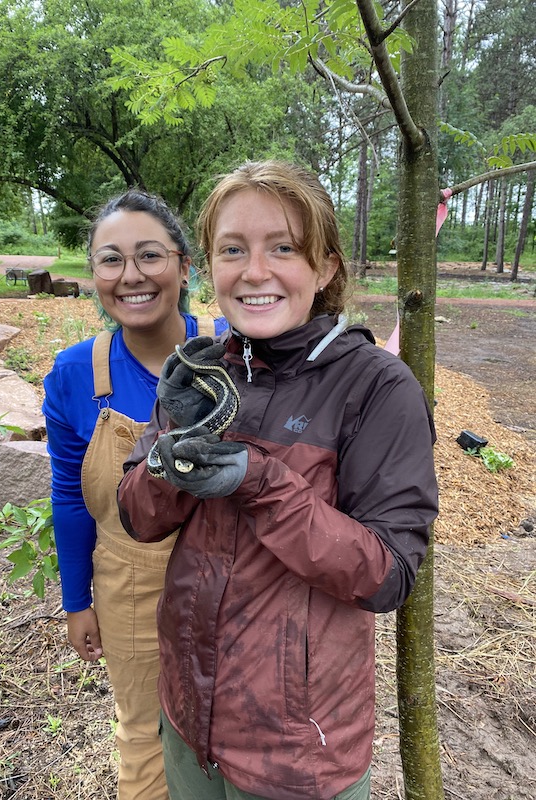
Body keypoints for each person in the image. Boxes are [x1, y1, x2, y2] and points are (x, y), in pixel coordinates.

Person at [117, 161, 438, 800]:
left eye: (283, 247)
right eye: (233, 249)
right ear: (210, 267)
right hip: (188, 722)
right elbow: (139, 518)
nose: (255, 271)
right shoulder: (206, 372)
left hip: (298, 755)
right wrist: (167, 455)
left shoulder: (377, 387)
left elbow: (388, 574)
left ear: (325, 268)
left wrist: (261, 482)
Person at [42, 188, 226, 800]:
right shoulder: (74, 375)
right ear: (93, 273)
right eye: (110, 260)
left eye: (150, 255)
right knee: (147, 737)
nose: (131, 276)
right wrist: (76, 601)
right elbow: (70, 499)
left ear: (184, 266)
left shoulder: (235, 351)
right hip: (129, 587)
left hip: (237, 575)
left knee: (237, 734)